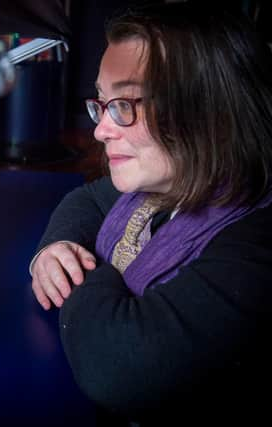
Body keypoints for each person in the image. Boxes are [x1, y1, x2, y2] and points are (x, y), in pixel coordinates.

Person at [29, 2, 272, 425]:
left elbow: (118, 368)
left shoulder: (255, 250)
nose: (101, 130)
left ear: (210, 109)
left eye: (125, 104)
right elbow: (87, 200)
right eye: (102, 104)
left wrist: (86, 270)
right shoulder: (175, 182)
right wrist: (59, 247)